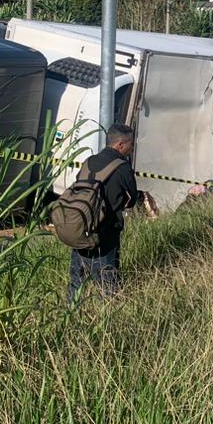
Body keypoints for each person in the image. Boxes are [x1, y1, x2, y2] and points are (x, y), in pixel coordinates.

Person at [70, 125, 141, 301]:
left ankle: (72, 315)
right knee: (108, 285)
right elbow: (132, 199)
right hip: (107, 234)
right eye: (131, 144)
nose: (131, 149)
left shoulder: (88, 162)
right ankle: (107, 322)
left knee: (77, 282)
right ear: (121, 144)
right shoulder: (122, 167)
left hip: (80, 229)